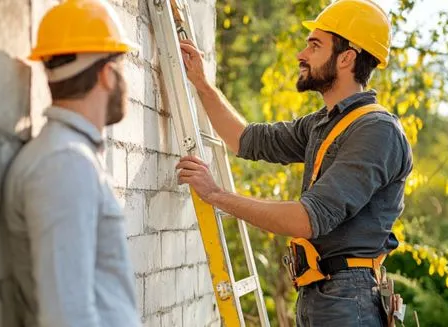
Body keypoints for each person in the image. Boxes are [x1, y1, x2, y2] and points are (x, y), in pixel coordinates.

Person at [176, 0, 413, 326]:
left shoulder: (376, 132)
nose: (301, 54)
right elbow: (246, 140)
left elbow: (306, 219)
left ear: (346, 58)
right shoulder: (325, 123)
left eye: (314, 45)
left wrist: (216, 196)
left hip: (348, 300)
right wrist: (202, 84)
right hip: (320, 292)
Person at [2, 1, 140, 326]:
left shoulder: (69, 156)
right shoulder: (64, 163)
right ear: (107, 74)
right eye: (121, 64)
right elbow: (67, 315)